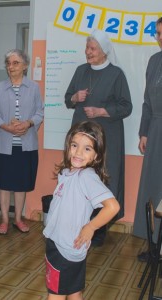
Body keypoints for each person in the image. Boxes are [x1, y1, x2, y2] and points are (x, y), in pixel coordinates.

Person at [65, 29, 132, 246]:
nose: (88, 52)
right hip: (81, 138)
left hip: (106, 139)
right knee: (79, 180)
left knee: (102, 180)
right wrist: (75, 97)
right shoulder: (80, 71)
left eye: (92, 48)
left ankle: (98, 228)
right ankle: (77, 223)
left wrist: (101, 111)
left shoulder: (116, 74)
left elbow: (126, 106)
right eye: (87, 48)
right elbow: (68, 99)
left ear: (104, 51)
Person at [43, 121, 120, 300]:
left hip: (62, 248)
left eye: (87, 149)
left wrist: (91, 227)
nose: (78, 152)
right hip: (69, 247)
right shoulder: (67, 172)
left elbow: (113, 206)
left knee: (55, 296)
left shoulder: (86, 176)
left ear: (96, 156)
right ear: (68, 146)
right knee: (74, 292)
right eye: (75, 145)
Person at [0, 49, 44, 235]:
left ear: (25, 66)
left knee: (20, 184)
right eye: (8, 63)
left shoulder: (33, 88)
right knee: (4, 184)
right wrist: (6, 127)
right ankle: (4, 220)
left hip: (26, 145)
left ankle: (18, 219)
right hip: (3, 144)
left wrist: (28, 123)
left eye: (15, 63)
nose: (11, 67)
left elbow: (40, 113)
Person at [133, 17, 162, 262]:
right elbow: (146, 102)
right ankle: (154, 245)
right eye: (158, 33)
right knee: (153, 189)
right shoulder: (154, 61)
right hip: (155, 130)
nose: (160, 37)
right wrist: (144, 132)